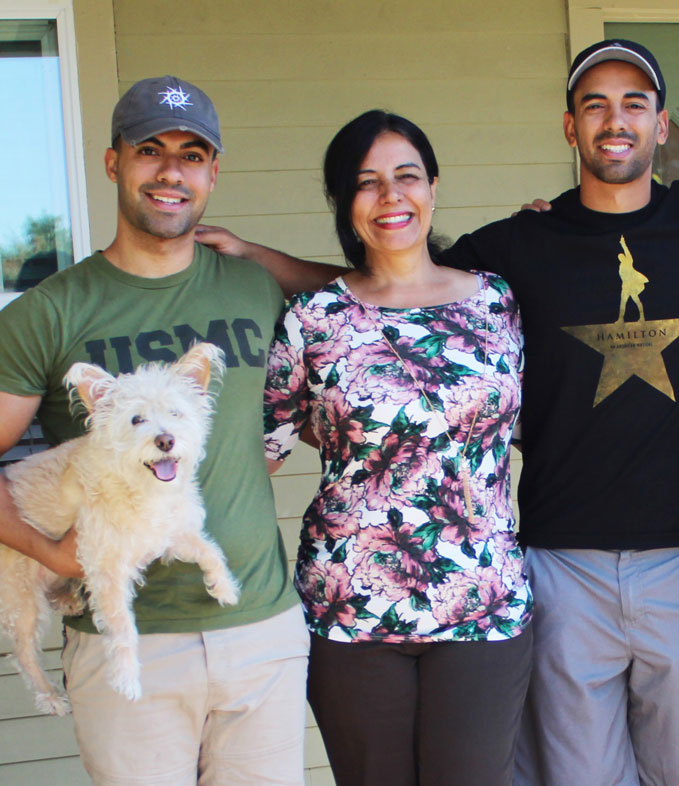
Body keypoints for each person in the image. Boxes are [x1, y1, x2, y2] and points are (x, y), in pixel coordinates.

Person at [197, 39, 679, 786]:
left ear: (656, 118)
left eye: (634, 100)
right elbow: (390, 284)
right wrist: (262, 261)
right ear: (569, 124)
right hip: (559, 567)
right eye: (594, 102)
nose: (615, 118)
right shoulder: (516, 246)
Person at [0, 76, 308, 786]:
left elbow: (360, 315)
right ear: (113, 162)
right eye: (151, 150)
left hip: (260, 629)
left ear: (213, 172)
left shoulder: (253, 287)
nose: (171, 171)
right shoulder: (51, 313)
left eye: (192, 154)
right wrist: (47, 548)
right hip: (127, 642)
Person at [261, 110, 532, 786]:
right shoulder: (313, 318)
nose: (390, 197)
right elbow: (257, 452)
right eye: (367, 183)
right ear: (343, 204)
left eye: (406, 177)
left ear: (433, 187)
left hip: (481, 602)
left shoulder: (498, 302)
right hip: (352, 606)